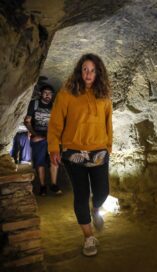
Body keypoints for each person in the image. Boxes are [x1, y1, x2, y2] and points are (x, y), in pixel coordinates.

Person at [47, 53, 113, 257]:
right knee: (81, 195)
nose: (88, 73)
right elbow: (56, 122)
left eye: (93, 70)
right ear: (79, 71)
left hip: (98, 152)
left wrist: (108, 147)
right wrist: (54, 147)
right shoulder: (66, 93)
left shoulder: (104, 96)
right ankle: (88, 237)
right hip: (73, 152)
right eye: (85, 69)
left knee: (102, 192)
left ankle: (96, 209)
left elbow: (108, 123)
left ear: (98, 72)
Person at [24, 85, 61, 196]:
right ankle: (43, 186)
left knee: (54, 160)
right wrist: (35, 135)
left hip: (51, 137)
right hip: (38, 136)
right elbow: (27, 121)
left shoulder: (54, 106)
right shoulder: (34, 104)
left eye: (50, 93)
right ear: (41, 93)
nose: (47, 95)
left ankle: (54, 184)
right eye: (45, 93)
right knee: (40, 162)